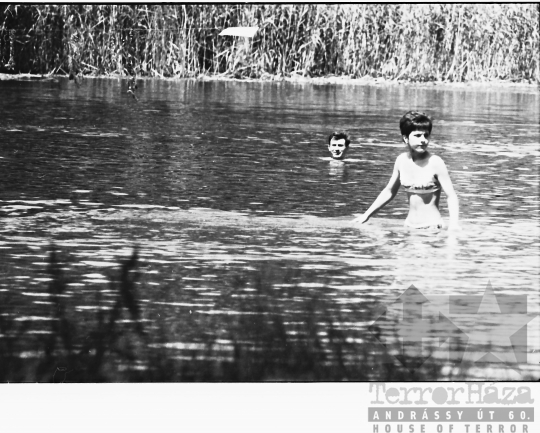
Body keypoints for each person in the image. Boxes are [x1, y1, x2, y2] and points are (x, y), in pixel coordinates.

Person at [352, 111, 460, 230]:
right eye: (418, 136)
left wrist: (454, 225)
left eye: (426, 135)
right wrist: (366, 215)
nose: (423, 140)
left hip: (431, 227)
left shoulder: (435, 162)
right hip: (408, 227)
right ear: (405, 138)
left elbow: (451, 196)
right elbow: (389, 191)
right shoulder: (401, 161)